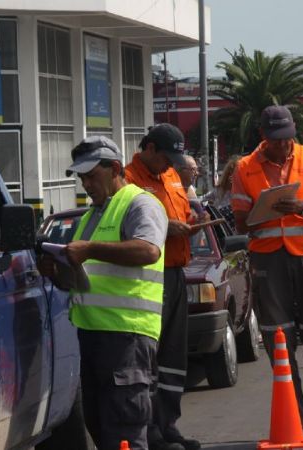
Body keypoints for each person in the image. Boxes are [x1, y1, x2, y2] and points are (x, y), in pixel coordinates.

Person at [39, 136, 168, 450]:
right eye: (81, 177)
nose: (85, 184)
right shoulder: (90, 217)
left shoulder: (141, 203)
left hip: (127, 334)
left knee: (124, 429)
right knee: (101, 426)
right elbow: (87, 279)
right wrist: (56, 272)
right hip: (93, 334)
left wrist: (90, 249)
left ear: (114, 168)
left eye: (91, 175)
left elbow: (149, 250)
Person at [230, 106, 303, 442]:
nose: (282, 146)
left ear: (294, 132)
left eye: (287, 139)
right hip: (268, 262)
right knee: (279, 340)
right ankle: (295, 415)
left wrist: (302, 208)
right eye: (275, 140)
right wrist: (264, 212)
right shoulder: (245, 168)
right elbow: (240, 221)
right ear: (263, 136)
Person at [125, 123, 201, 450]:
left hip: (176, 273)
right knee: (150, 359)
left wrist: (191, 225)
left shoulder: (170, 176)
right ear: (150, 148)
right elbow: (129, 225)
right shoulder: (128, 179)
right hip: (148, 278)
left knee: (173, 355)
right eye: (165, 157)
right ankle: (151, 432)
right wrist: (166, 226)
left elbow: (183, 212)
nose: (169, 165)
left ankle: (169, 424)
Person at [203, 156, 239, 230]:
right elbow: (202, 199)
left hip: (236, 233)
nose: (232, 177)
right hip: (219, 229)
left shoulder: (244, 192)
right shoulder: (219, 190)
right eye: (230, 173)